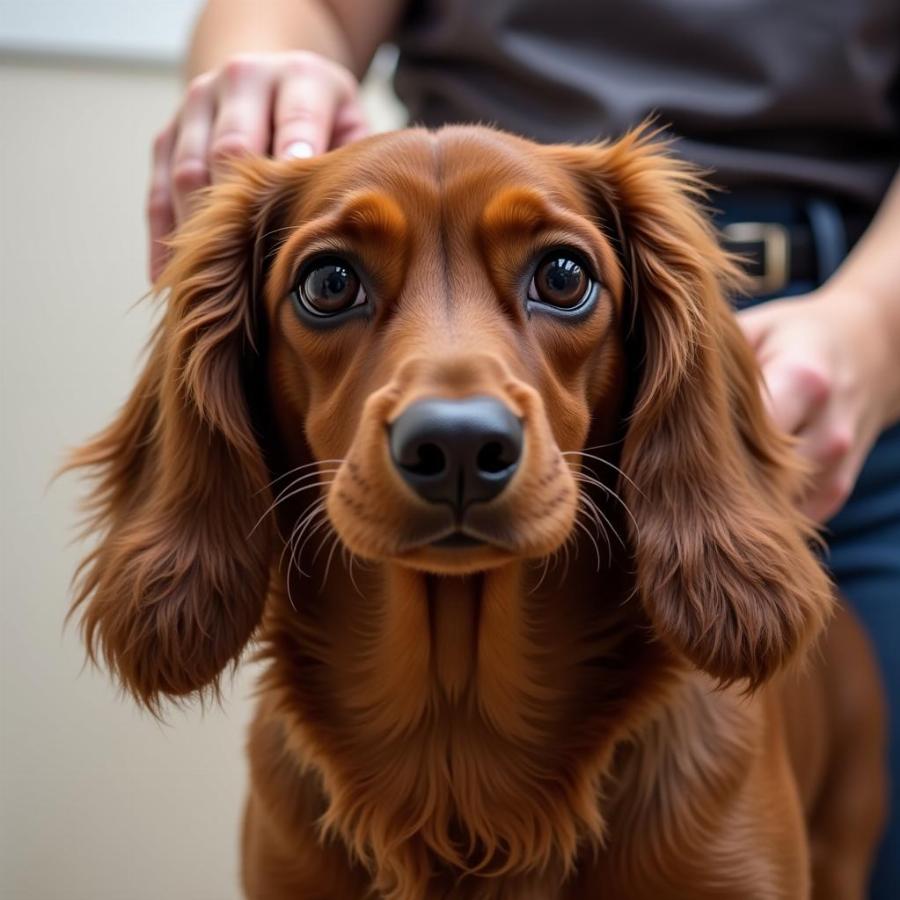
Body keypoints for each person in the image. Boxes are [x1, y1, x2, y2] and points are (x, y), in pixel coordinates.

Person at [147, 1, 900, 893]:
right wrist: (260, 86)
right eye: (330, 283)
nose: (456, 424)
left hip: (840, 356)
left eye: (561, 278)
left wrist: (875, 330)